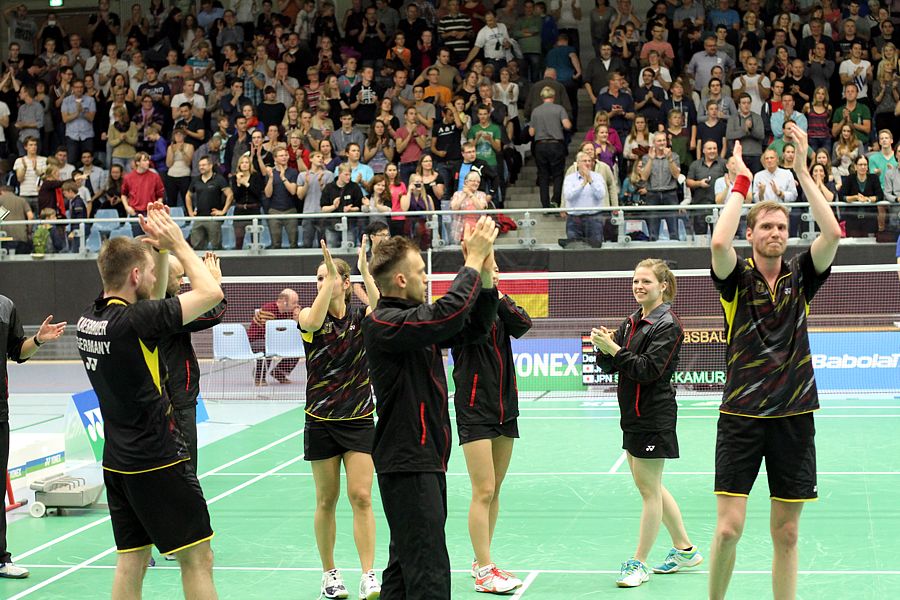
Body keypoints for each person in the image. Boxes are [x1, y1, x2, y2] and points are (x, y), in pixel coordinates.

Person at [707, 125, 841, 600]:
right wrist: (740, 184)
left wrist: (803, 171)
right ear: (753, 233)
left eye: (782, 227)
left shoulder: (802, 277)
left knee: (786, 533)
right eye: (766, 226)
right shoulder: (737, 279)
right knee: (728, 530)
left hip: (794, 415)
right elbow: (719, 246)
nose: (775, 233)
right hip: (741, 417)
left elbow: (832, 233)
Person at [75, 203, 223, 599]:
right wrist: (177, 243)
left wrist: (157, 252)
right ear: (135, 275)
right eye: (154, 272)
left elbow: (150, 304)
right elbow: (212, 292)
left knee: (132, 559)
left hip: (118, 462)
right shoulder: (135, 323)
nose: (158, 278)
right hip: (158, 458)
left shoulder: (89, 319)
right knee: (198, 559)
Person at [361, 217, 500, 600]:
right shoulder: (385, 323)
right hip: (408, 462)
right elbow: (446, 313)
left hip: (422, 461)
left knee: (404, 570)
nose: (426, 279)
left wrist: (485, 277)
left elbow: (471, 329)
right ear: (401, 280)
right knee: (429, 575)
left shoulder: (411, 324)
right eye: (421, 272)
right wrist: (471, 262)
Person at [591, 258, 701, 588]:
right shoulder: (632, 321)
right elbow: (614, 368)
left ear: (663, 286)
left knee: (649, 492)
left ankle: (639, 562)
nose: (639, 286)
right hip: (632, 416)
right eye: (636, 281)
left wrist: (614, 349)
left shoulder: (668, 325)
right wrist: (603, 349)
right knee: (649, 487)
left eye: (646, 281)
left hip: (655, 416)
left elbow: (648, 370)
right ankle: (685, 549)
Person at [297, 240, 381, 600]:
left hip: (360, 416)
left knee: (361, 496)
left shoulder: (360, 319)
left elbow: (383, 305)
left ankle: (368, 575)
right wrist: (328, 283)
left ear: (347, 283)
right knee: (326, 500)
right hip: (321, 419)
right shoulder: (306, 316)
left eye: (328, 277)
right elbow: (314, 320)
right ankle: (330, 575)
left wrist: (363, 270)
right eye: (317, 278)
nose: (321, 282)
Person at [451, 263, 532, 594]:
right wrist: (482, 295)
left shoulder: (498, 304)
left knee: (495, 488)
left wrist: (497, 294)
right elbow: (471, 331)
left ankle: (480, 559)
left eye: (496, 269)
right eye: (489, 270)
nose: (494, 273)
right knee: (483, 490)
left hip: (505, 406)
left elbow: (523, 324)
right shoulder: (462, 310)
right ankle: (485, 571)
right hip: (475, 408)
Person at [1, 298, 65, 579]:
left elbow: (16, 351)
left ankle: (1, 559)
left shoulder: (4, 307)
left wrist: (37, 340)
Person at [159, 253, 227, 475]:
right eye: (178, 277)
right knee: (184, 467)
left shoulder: (161, 300)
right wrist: (214, 283)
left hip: (172, 395)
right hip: (177, 398)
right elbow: (212, 313)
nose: (182, 282)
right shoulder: (165, 308)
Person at [529, 86, 573, 210]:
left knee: (543, 175)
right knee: (558, 174)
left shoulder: (536, 111)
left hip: (540, 145)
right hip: (556, 144)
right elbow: (567, 125)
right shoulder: (559, 109)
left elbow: (531, 132)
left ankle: (545, 204)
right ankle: (556, 200)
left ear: (541, 97)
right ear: (553, 97)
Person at [248, 289, 300, 386]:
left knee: (296, 348)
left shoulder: (288, 313)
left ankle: (279, 373)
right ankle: (259, 377)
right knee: (266, 347)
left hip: (276, 341)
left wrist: (296, 319)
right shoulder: (269, 309)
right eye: (294, 303)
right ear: (284, 302)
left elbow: (293, 334)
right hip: (256, 341)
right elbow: (266, 333)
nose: (296, 306)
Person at [561, 151, 609, 248]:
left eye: (589, 161)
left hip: (594, 219)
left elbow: (601, 195)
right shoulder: (570, 178)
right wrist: (582, 184)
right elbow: (568, 196)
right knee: (573, 248)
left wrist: (590, 181)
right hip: (574, 220)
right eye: (584, 161)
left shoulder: (598, 177)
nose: (587, 163)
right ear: (578, 163)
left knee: (595, 247)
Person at [639, 132, 681, 242]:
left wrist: (670, 159)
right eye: (659, 141)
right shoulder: (646, 158)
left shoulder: (674, 156)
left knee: (673, 230)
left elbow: (677, 175)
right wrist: (651, 159)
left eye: (663, 140)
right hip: (652, 194)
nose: (662, 143)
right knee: (653, 231)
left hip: (670, 193)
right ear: (654, 143)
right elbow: (643, 176)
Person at [186, 156, 232, 250]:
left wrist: (223, 211)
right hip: (199, 218)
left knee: (216, 247)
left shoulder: (219, 179)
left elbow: (230, 194)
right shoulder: (196, 180)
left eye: (204, 165)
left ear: (210, 166)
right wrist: (190, 212)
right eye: (199, 165)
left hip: (213, 218)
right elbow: (188, 195)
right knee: (196, 246)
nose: (201, 167)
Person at [121, 152, 165, 236]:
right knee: (138, 240)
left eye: (148, 160)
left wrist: (157, 207)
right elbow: (123, 194)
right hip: (135, 212)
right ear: (137, 162)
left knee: (153, 239)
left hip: (151, 212)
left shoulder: (155, 176)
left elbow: (160, 195)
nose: (148, 162)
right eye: (144, 160)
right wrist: (127, 207)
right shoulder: (128, 177)